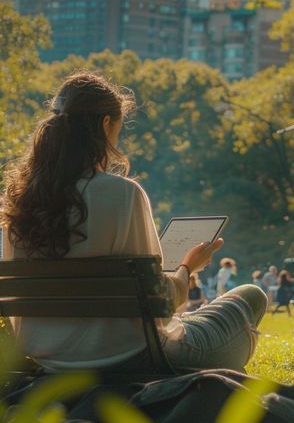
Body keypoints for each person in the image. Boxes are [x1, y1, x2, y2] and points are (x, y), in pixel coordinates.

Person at [0, 71, 267, 374]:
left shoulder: (18, 201)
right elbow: (160, 304)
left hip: (49, 361)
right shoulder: (123, 194)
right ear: (104, 124)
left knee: (197, 318)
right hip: (139, 358)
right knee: (251, 296)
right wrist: (186, 268)